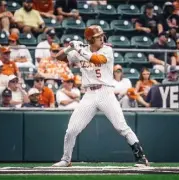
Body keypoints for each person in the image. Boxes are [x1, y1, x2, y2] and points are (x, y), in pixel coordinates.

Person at [52, 25, 149, 167]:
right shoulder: (81, 51)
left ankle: (141, 158)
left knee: (121, 127)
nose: (102, 39)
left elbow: (97, 60)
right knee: (71, 129)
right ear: (90, 39)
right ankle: (66, 159)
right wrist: (70, 47)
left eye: (101, 36)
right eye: (98, 37)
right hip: (89, 94)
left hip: (106, 93)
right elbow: (59, 57)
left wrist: (78, 49)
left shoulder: (107, 50)